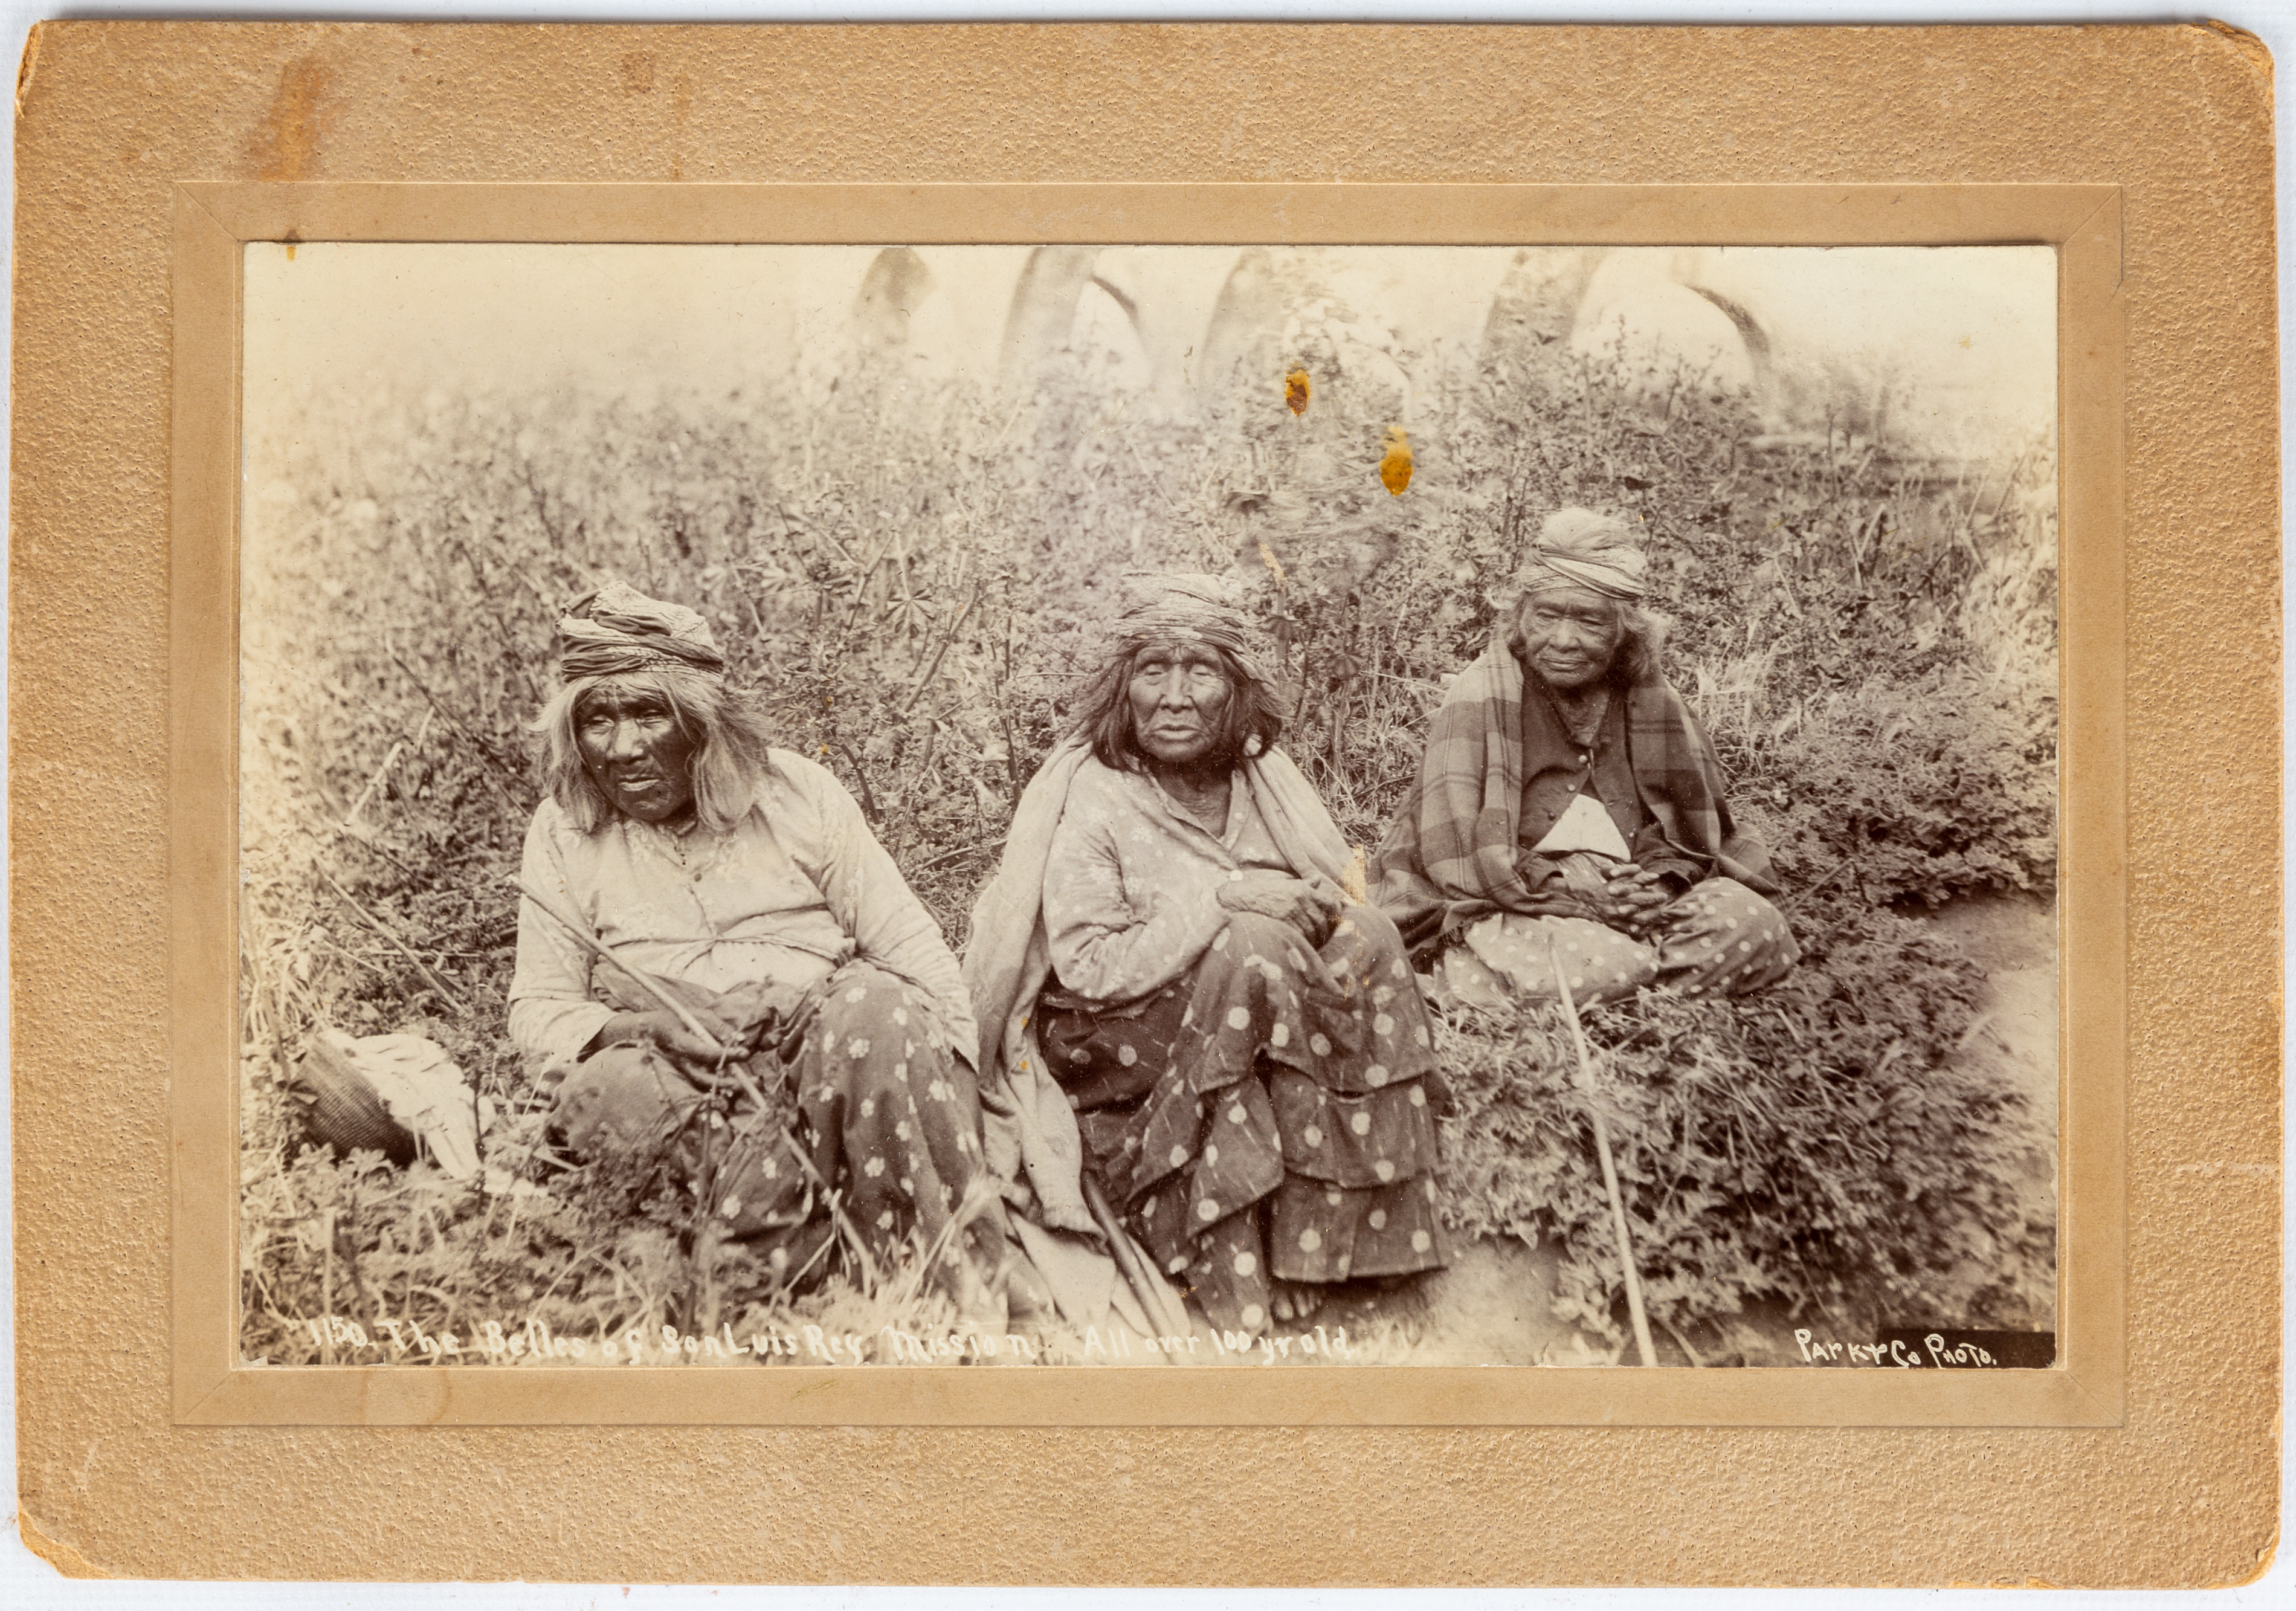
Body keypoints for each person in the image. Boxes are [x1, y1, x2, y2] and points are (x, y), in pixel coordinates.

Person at [964, 574, 1448, 1338]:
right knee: (1252, 949)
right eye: (1153, 669)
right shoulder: (1093, 793)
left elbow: (1328, 893)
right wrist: (1228, 900)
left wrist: (1311, 910)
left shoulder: (1263, 777)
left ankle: (1330, 1237)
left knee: (1370, 937)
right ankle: (1232, 1251)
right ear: (1123, 690)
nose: (1175, 695)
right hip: (1114, 1033)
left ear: (1236, 689)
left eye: (1201, 671)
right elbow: (1087, 965)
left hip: (1253, 1002)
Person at [508, 581, 1010, 1312]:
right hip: (681, 1068)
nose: (622, 748)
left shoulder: (797, 793)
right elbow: (540, 1010)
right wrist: (648, 1027)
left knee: (879, 1004)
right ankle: (782, 1275)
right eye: (597, 720)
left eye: (649, 712)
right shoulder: (561, 830)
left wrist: (952, 1115)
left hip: (828, 1051)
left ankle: (925, 1274)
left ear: (701, 721)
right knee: (607, 1091)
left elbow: (911, 952)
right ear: (572, 733)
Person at [1373, 508, 1798, 1012]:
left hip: (1627, 890)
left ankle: (1619, 999)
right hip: (1511, 896)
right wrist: (1576, 896)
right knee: (1600, 964)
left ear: (1624, 631)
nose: (1563, 640)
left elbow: (1690, 829)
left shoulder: (1653, 698)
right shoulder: (1481, 695)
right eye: (1547, 616)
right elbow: (1463, 849)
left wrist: (1657, 886)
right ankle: (1630, 989)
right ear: (1520, 617)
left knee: (1753, 922)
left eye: (1590, 621)